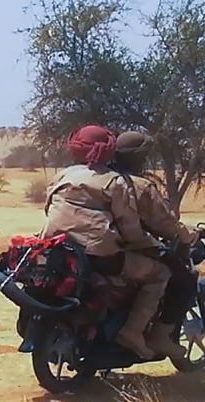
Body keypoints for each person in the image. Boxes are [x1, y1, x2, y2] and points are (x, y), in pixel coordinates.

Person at [41, 124, 169, 359]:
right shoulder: (113, 182)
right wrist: (150, 243)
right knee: (159, 273)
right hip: (99, 257)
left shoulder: (63, 175)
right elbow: (130, 228)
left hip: (60, 250)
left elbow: (48, 208)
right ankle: (132, 332)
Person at [112, 130, 199, 361]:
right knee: (183, 280)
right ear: (139, 157)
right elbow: (164, 224)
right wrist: (189, 236)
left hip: (103, 247)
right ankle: (159, 335)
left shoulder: (103, 179)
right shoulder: (140, 186)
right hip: (132, 248)